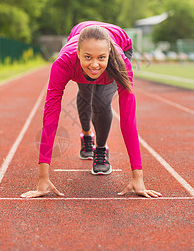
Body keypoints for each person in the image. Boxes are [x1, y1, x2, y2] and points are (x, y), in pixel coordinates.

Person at [21, 21, 162, 199]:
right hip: (80, 38)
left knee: (101, 102)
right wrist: (43, 178)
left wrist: (138, 177)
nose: (95, 65)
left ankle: (100, 148)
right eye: (88, 57)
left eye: (100, 58)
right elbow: (50, 116)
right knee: (85, 93)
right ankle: (86, 135)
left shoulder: (120, 63)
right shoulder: (63, 63)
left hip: (121, 44)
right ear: (78, 53)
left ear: (109, 54)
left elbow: (128, 120)